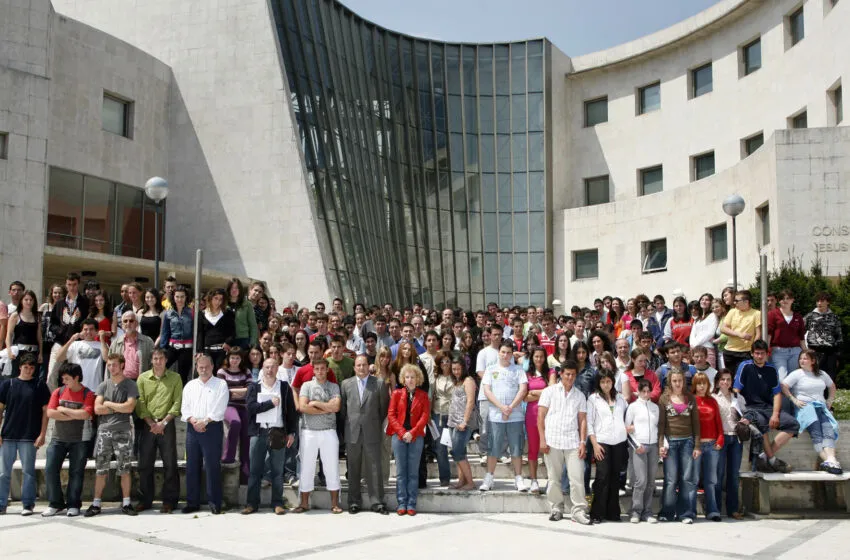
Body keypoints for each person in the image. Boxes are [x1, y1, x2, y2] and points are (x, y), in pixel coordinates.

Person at [538, 359, 592, 525]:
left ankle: (578, 511)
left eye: (573, 375)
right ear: (560, 374)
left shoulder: (580, 395)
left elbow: (582, 420)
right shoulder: (549, 392)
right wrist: (542, 439)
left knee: (576, 478)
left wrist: (583, 442)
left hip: (573, 442)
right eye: (567, 374)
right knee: (553, 478)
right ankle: (556, 508)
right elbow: (541, 416)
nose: (570, 377)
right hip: (552, 440)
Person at [85, 354, 139, 517]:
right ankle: (96, 503)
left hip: (122, 430)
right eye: (109, 365)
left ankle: (127, 503)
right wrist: (117, 407)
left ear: (122, 365)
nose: (111, 368)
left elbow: (129, 407)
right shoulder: (103, 385)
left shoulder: (130, 384)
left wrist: (108, 404)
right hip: (104, 430)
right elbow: (97, 409)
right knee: (101, 467)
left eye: (114, 365)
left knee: (125, 467)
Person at [734, 340, 799, 473]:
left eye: (762, 353)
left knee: (793, 424)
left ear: (767, 354)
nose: (759, 356)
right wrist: (738, 413)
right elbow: (736, 390)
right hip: (750, 408)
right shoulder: (745, 366)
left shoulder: (771, 369)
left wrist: (775, 414)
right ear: (752, 354)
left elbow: (777, 394)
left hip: (767, 408)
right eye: (757, 353)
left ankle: (764, 457)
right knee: (761, 424)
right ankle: (773, 460)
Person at [243, 358, 297, 515]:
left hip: (278, 432)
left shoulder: (284, 387)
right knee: (255, 470)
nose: (270, 370)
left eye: (273, 367)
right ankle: (251, 504)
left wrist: (291, 432)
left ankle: (278, 503)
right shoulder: (254, 386)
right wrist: (270, 404)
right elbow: (251, 408)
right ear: (262, 368)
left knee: (277, 471)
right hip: (259, 432)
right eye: (267, 367)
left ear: (277, 368)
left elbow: (291, 412)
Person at [42, 362, 94, 517]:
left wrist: (64, 410)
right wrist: (74, 414)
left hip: (80, 440)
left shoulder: (88, 394)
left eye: (67, 378)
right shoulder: (58, 392)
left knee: (76, 472)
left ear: (76, 378)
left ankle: (73, 504)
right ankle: (55, 503)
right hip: (58, 438)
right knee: (50, 469)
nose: (64, 381)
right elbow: (51, 413)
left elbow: (86, 415)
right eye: (63, 378)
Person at [340, 354, 390, 514]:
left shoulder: (380, 384)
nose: (361, 368)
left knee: (374, 467)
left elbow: (383, 409)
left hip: (371, 431)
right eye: (358, 365)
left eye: (364, 365)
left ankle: (377, 502)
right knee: (353, 467)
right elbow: (342, 411)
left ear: (369, 366)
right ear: (354, 367)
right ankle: (354, 502)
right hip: (352, 431)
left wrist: (372, 423)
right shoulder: (345, 384)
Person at [134, 348, 183, 513]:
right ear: (151, 361)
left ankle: (169, 501)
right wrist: (151, 423)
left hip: (166, 425)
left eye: (161, 358)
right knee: (145, 464)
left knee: (170, 464)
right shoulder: (142, 378)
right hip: (147, 426)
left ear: (166, 360)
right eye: (155, 358)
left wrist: (163, 423)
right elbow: (139, 402)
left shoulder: (175, 378)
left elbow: (177, 402)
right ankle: (145, 500)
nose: (158, 361)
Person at [0, 353, 49, 516]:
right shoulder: (9, 384)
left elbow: (45, 412)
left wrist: (42, 434)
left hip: (29, 435)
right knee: (3, 472)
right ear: (20, 367)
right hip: (8, 434)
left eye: (32, 367)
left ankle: (28, 504)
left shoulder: (39, 385)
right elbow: (0, 410)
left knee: (28, 472)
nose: (28, 370)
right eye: (26, 367)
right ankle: (1, 503)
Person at [181, 354, 229, 514]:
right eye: (200, 367)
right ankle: (192, 502)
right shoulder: (190, 385)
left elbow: (220, 408)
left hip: (212, 428)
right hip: (192, 429)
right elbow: (184, 408)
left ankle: (215, 502)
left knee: (212, 466)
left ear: (212, 367)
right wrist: (194, 421)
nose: (203, 370)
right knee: (192, 466)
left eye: (206, 367)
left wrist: (205, 421)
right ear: (196, 368)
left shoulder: (221, 384)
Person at [294, 359, 343, 514]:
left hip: (329, 430)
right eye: (317, 369)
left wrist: (315, 403)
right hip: (309, 431)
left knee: (331, 468)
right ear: (313, 370)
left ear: (327, 369)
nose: (320, 371)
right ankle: (304, 503)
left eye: (323, 368)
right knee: (307, 467)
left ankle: (334, 504)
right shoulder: (306, 386)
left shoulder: (334, 386)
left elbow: (336, 406)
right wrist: (325, 408)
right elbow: (302, 407)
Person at [781, 350, 842, 474]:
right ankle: (829, 461)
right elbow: (783, 385)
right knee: (816, 432)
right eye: (801, 359)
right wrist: (794, 399)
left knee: (828, 429)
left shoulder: (822, 374)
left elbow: (832, 386)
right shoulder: (797, 373)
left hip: (821, 406)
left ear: (813, 361)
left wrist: (830, 400)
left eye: (805, 359)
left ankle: (831, 460)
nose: (801, 361)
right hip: (805, 407)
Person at [480, 341, 528, 492]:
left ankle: (518, 478)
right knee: (493, 447)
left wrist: (510, 408)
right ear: (498, 352)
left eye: (508, 352)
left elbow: (523, 389)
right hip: (496, 415)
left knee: (516, 448)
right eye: (503, 352)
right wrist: (502, 408)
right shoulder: (490, 369)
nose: (505, 355)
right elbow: (487, 391)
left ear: (512, 354)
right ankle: (489, 477)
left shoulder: (518, 370)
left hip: (516, 416)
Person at [657, 369, 700, 524]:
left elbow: (696, 423)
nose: (677, 384)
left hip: (688, 442)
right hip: (671, 442)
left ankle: (685, 513)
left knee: (687, 479)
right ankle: (667, 512)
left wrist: (697, 445)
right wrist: (660, 444)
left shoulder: (690, 398)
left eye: (680, 381)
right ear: (670, 382)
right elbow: (661, 424)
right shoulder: (663, 399)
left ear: (684, 382)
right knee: (670, 479)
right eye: (674, 381)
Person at [387, 364, 430, 515]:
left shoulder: (423, 396)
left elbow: (425, 417)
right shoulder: (397, 394)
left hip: (416, 437)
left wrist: (412, 432)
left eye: (413, 377)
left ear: (418, 379)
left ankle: (411, 503)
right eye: (407, 377)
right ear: (403, 379)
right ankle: (401, 503)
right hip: (399, 437)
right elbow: (391, 415)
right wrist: (401, 432)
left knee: (413, 472)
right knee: (400, 472)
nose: (410, 380)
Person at [586, 369, 628, 523]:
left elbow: (627, 417)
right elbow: (589, 423)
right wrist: (595, 444)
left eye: (608, 381)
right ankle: (597, 513)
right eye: (602, 381)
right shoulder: (593, 399)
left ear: (613, 382)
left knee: (615, 477)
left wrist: (627, 428)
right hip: (602, 442)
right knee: (602, 476)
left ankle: (613, 513)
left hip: (619, 441)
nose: (606, 384)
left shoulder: (621, 399)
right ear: (598, 383)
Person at [625, 379, 660, 524]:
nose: (646, 394)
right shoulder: (632, 407)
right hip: (639, 446)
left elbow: (657, 427)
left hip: (653, 446)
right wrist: (636, 445)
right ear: (638, 391)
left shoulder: (655, 408)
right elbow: (627, 430)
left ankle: (648, 511)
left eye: (648, 391)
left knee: (651, 482)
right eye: (643, 391)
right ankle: (636, 511)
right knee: (641, 480)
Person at [712, 369, 745, 519]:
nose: (726, 382)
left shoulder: (737, 397)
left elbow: (747, 412)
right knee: (718, 474)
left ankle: (732, 509)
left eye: (728, 379)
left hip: (736, 438)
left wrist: (746, 420)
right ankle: (716, 508)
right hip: (720, 438)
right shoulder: (713, 398)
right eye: (723, 379)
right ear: (718, 381)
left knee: (733, 475)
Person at [47, 272, 89, 388]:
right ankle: (55, 401)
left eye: (74, 284)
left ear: (78, 284)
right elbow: (52, 324)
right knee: (51, 375)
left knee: (75, 376)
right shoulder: (60, 303)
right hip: (60, 343)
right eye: (69, 284)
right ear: (66, 285)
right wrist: (60, 331)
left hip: (77, 344)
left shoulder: (85, 303)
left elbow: (88, 322)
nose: (72, 287)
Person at [692, 372, 724, 521]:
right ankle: (690, 511)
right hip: (696, 445)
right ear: (694, 385)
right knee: (693, 479)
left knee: (711, 481)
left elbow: (718, 422)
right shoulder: (691, 401)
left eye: (704, 383)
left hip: (712, 445)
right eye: (699, 383)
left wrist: (720, 439)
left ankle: (713, 510)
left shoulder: (713, 401)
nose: (702, 386)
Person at [217, 347, 252, 484]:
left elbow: (250, 389)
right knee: (235, 422)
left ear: (241, 359)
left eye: (237, 358)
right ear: (228, 358)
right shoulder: (222, 371)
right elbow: (223, 391)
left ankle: (245, 476)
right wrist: (239, 391)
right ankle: (228, 457)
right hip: (228, 405)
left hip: (244, 406)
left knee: (246, 438)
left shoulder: (246, 371)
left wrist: (232, 391)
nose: (234, 360)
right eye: (232, 357)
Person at [447, 357, 477, 491]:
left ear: (464, 368)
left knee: (457, 452)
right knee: (460, 452)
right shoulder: (456, 381)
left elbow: (470, 402)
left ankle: (470, 483)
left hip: (463, 422)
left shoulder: (468, 381)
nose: (456, 371)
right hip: (453, 421)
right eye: (454, 369)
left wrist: (464, 421)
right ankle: (461, 481)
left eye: (458, 369)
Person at [524, 347, 550, 494]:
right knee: (533, 449)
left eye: (541, 356)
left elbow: (552, 390)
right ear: (532, 358)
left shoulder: (550, 373)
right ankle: (534, 481)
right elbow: (525, 397)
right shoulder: (527, 375)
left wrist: (534, 392)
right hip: (532, 416)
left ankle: (550, 481)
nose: (539, 359)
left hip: (548, 416)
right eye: (536, 357)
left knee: (549, 449)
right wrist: (544, 393)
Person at [767, 290, 806, 383]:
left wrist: (806, 352)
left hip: (795, 351)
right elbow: (769, 334)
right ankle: (782, 398)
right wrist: (766, 350)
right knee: (782, 380)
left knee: (793, 379)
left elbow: (801, 337)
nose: (785, 301)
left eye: (788, 298)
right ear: (779, 301)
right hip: (778, 351)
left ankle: (792, 398)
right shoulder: (773, 314)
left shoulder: (798, 317)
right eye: (782, 299)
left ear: (792, 300)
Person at [803, 292, 843, 383]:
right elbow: (800, 333)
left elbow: (839, 337)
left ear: (828, 302)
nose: (819, 303)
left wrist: (837, 356)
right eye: (817, 301)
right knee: (814, 377)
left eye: (822, 301)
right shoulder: (810, 316)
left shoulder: (834, 317)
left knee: (829, 378)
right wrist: (805, 349)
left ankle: (828, 397)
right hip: (814, 351)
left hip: (830, 352)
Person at [720, 290, 761, 376]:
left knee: (742, 377)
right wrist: (739, 334)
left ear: (746, 301)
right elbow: (723, 328)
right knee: (730, 378)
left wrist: (753, 350)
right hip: (729, 351)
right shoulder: (732, 312)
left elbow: (758, 334)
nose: (734, 303)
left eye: (737, 301)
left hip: (746, 353)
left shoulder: (756, 314)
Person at [105, 310, 155, 382]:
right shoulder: (115, 343)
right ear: (122, 325)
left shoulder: (147, 342)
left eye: (131, 321)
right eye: (125, 321)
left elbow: (153, 365)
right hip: (120, 383)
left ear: (136, 324)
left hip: (140, 383)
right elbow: (108, 367)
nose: (128, 323)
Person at [160, 285, 194, 385]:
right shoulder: (168, 313)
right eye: (177, 296)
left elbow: (196, 332)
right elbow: (165, 332)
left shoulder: (192, 313)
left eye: (182, 297)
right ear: (173, 297)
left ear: (186, 297)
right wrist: (162, 348)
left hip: (187, 349)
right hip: (172, 347)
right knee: (161, 368)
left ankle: (181, 399)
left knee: (182, 377)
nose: (179, 299)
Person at [430, 350, 454, 487]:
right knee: (440, 447)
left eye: (447, 361)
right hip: (438, 414)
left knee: (456, 447)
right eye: (442, 361)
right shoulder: (435, 378)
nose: (445, 364)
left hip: (453, 415)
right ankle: (444, 478)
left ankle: (463, 476)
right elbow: (431, 396)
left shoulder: (456, 376)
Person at [5, 290, 42, 378]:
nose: (28, 302)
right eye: (26, 299)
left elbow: (39, 337)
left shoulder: (37, 317)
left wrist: (40, 353)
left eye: (31, 300)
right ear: (22, 300)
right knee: (17, 377)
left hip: (33, 352)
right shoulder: (15, 315)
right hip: (19, 352)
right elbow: (9, 334)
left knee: (33, 377)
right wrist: (9, 350)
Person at [198, 288, 236, 370]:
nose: (218, 301)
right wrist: (200, 351)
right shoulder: (202, 314)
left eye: (220, 299)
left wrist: (228, 342)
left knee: (219, 375)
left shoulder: (228, 314)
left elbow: (233, 332)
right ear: (210, 298)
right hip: (207, 352)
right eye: (216, 298)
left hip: (222, 352)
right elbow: (200, 333)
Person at [227, 278, 259, 349]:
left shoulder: (247, 304)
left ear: (240, 290)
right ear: (228, 289)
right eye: (232, 288)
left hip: (243, 340)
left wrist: (252, 342)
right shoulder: (224, 304)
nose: (234, 290)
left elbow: (253, 325)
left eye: (236, 288)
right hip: (226, 340)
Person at [690, 295, 719, 368]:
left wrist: (696, 344)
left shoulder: (713, 315)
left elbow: (710, 333)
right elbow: (693, 333)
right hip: (695, 350)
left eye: (707, 300)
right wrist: (692, 345)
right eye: (702, 299)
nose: (704, 301)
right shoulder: (697, 318)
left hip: (707, 349)